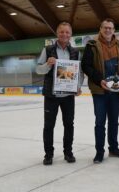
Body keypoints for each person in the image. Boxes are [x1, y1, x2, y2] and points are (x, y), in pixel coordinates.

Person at [81, 18, 119, 164]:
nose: (108, 30)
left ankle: (114, 148)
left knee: (114, 121)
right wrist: (99, 80)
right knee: (100, 122)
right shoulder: (91, 45)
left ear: (114, 30)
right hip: (99, 90)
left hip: (115, 90)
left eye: (110, 28)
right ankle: (99, 152)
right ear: (100, 29)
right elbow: (86, 65)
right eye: (105, 28)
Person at [36, 22, 83, 165]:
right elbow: (38, 70)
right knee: (49, 126)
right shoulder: (48, 49)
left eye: (67, 32)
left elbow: (79, 73)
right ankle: (48, 154)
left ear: (71, 34)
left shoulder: (75, 52)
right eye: (62, 32)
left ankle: (68, 152)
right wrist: (47, 64)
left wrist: (78, 86)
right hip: (52, 95)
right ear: (57, 33)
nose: (64, 34)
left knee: (69, 125)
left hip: (68, 96)